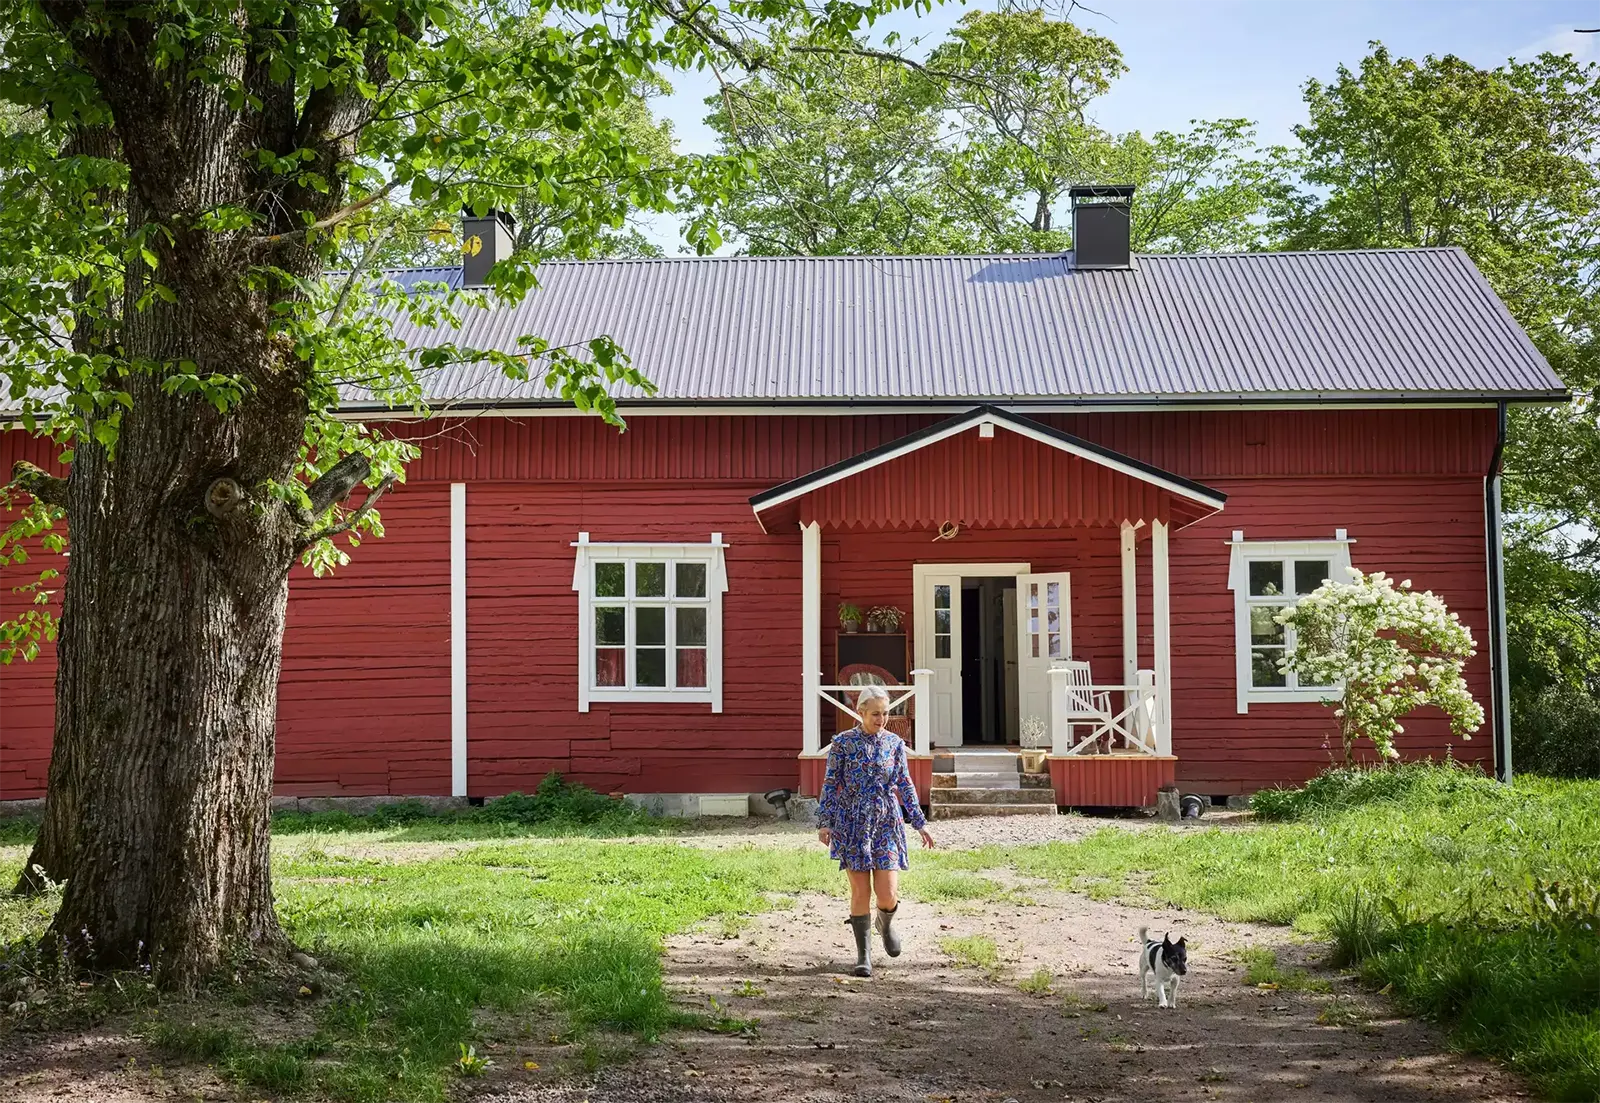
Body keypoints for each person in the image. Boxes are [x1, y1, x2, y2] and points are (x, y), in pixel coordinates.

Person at [815, 684, 936, 977]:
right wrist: (825, 821)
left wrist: (919, 822)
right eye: (875, 714)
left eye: (885, 713)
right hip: (851, 820)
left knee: (887, 893)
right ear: (861, 713)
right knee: (860, 890)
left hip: (885, 821)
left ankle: (886, 921)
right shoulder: (842, 744)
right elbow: (831, 784)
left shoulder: (894, 744)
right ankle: (863, 955)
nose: (881, 719)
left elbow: (904, 783)